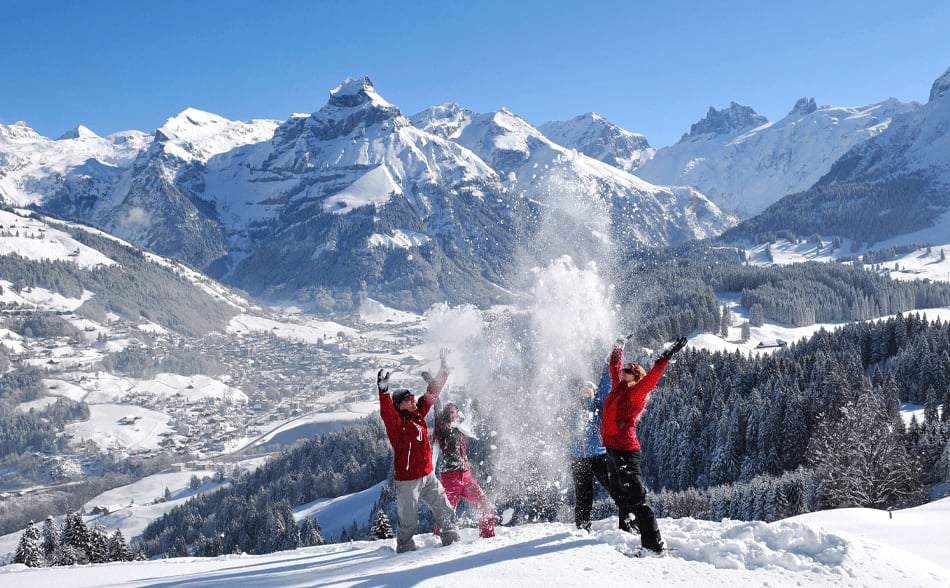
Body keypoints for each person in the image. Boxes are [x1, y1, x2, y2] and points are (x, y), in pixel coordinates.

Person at [601, 335, 687, 554]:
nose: (622, 373)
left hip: (626, 451)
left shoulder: (636, 393)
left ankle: (653, 545)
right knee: (619, 493)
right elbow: (614, 365)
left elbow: (653, 378)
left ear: (635, 377)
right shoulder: (618, 387)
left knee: (637, 497)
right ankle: (633, 526)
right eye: (623, 371)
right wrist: (618, 345)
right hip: (611, 448)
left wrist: (666, 355)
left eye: (628, 371)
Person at [377, 348, 459, 554]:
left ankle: (452, 539)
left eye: (413, 396)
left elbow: (432, 392)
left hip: (428, 475)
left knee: (444, 507)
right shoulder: (397, 424)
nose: (413, 399)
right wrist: (384, 391)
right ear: (400, 405)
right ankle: (405, 549)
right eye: (408, 398)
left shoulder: (418, 414)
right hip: (407, 481)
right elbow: (387, 413)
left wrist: (444, 370)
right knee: (408, 521)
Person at [432, 391, 496, 538]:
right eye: (451, 412)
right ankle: (436, 542)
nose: (454, 415)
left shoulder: (460, 429)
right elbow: (437, 405)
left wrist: (475, 403)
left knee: (486, 508)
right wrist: (432, 384)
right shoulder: (442, 430)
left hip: (466, 477)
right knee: (445, 516)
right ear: (446, 415)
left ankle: (488, 539)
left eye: (455, 412)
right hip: (450, 478)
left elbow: (470, 420)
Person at [569, 363, 622, 533]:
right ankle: (583, 528)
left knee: (616, 487)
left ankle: (629, 519)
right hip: (579, 458)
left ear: (594, 393)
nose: (585, 391)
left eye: (589, 389)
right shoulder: (573, 410)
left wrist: (610, 362)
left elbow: (606, 383)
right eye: (582, 389)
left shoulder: (599, 406)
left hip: (600, 456)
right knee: (583, 496)